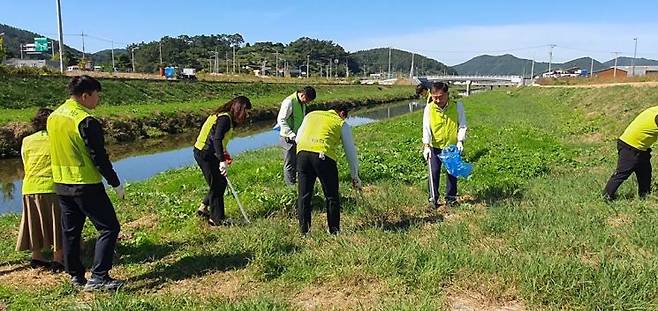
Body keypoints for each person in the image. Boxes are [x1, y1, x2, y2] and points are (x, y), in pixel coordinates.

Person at [47, 75, 126, 291]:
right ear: (85, 95)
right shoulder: (85, 120)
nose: (98, 99)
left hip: (61, 184)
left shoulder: (54, 116)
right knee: (109, 227)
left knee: (71, 231)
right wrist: (115, 182)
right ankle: (99, 277)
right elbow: (98, 156)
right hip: (85, 183)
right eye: (96, 95)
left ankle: (75, 275)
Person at [295, 104, 362, 235]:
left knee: (304, 196)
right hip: (323, 156)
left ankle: (304, 232)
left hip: (302, 154)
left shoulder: (311, 115)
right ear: (342, 113)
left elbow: (298, 138)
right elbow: (350, 152)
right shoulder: (341, 123)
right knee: (331, 196)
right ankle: (334, 231)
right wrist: (355, 176)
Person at [15, 108, 64, 272]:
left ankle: (37, 257)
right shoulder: (58, 139)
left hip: (29, 187)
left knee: (33, 223)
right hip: (53, 187)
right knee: (58, 223)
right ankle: (58, 259)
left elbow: (24, 161)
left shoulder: (27, 140)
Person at [194, 96, 252, 225]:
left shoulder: (227, 117)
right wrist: (221, 161)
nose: (247, 115)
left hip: (209, 152)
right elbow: (216, 139)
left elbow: (217, 139)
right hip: (205, 153)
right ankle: (216, 220)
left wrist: (224, 153)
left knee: (219, 183)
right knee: (217, 186)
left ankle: (203, 208)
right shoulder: (224, 119)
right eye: (246, 111)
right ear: (239, 109)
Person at [422, 82, 467, 208]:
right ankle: (433, 199)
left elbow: (462, 124)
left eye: (440, 97)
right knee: (434, 172)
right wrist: (426, 145)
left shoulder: (457, 106)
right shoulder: (429, 108)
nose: (437, 100)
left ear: (447, 94)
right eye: (435, 97)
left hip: (451, 146)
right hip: (434, 146)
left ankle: (451, 198)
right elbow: (426, 128)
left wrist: (460, 140)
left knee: (452, 172)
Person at [604, 106, 658, 200]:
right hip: (630, 146)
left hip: (641, 148)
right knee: (623, 172)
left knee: (645, 173)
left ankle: (644, 196)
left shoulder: (655, 109)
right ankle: (607, 196)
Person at [276, 86, 316, 185]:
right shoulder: (289, 102)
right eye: (307, 100)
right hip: (288, 138)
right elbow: (281, 120)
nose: (307, 103)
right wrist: (291, 134)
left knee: (298, 161)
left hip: (298, 137)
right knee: (289, 163)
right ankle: (290, 186)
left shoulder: (301, 103)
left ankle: (297, 182)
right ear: (302, 95)